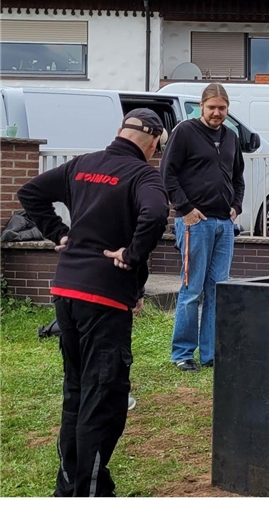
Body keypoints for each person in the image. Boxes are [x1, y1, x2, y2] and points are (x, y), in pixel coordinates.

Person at [16, 109, 170, 497]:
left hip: (66, 291)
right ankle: (87, 494)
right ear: (152, 142)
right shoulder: (144, 174)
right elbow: (154, 213)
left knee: (77, 391)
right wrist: (131, 256)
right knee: (104, 397)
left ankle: (71, 487)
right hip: (103, 297)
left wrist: (60, 234)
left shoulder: (82, 166)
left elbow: (30, 193)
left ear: (120, 132)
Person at [161, 83, 244, 372]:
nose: (217, 113)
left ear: (228, 109)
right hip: (195, 224)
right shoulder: (184, 132)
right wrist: (185, 209)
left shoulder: (232, 138)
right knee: (191, 290)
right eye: (212, 108)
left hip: (224, 224)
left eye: (222, 108)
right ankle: (183, 353)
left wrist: (237, 207)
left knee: (217, 290)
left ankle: (210, 354)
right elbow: (167, 174)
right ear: (201, 106)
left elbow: (238, 179)